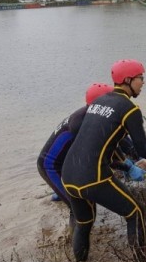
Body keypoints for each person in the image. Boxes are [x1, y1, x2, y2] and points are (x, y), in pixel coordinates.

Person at [61, 59, 146, 262]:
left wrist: (125, 165)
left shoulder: (98, 102)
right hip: (93, 177)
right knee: (135, 211)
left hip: (68, 175)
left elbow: (97, 140)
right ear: (128, 80)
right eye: (140, 78)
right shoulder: (129, 109)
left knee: (84, 222)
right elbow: (143, 148)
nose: (143, 82)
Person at [37, 83, 114, 226]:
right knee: (79, 208)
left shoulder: (91, 115)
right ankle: (73, 245)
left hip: (67, 163)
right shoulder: (82, 123)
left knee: (79, 198)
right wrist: (127, 167)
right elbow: (102, 153)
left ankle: (61, 192)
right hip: (51, 168)